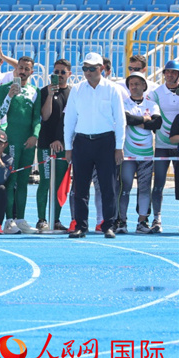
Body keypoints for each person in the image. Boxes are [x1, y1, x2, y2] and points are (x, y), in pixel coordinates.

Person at [64, 52, 126, 239]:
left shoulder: (113, 89)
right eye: (85, 68)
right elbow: (69, 120)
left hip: (106, 142)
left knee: (108, 187)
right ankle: (81, 226)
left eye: (92, 68)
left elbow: (120, 120)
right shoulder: (77, 89)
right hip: (82, 142)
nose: (88, 72)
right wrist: (68, 147)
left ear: (102, 69)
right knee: (80, 188)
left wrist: (119, 147)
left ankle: (108, 225)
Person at [0, 56, 41, 234]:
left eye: (26, 69)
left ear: (31, 72)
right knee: (11, 180)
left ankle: (20, 219)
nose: (22, 71)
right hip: (12, 141)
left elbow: (37, 118)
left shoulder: (35, 91)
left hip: (28, 143)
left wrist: (35, 135)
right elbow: (0, 113)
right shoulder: (4, 88)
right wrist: (9, 96)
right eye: (20, 68)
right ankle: (9, 221)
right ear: (16, 70)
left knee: (23, 181)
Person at [119, 72, 161, 234]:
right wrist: (145, 119)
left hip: (146, 154)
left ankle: (142, 222)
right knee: (125, 188)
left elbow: (157, 123)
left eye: (137, 84)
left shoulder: (152, 104)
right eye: (131, 84)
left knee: (144, 189)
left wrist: (139, 121)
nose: (134, 87)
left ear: (144, 86)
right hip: (128, 154)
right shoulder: (124, 103)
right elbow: (126, 119)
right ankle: (121, 221)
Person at [35, 58, 72, 232]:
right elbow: (45, 116)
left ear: (69, 74)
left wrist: (62, 141)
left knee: (59, 185)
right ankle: (42, 219)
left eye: (62, 72)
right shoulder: (44, 91)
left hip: (64, 145)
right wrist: (50, 95)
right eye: (56, 72)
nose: (59, 75)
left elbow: (72, 120)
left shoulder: (73, 93)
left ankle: (55, 219)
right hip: (46, 144)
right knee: (45, 181)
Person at [145, 60, 179, 234]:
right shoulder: (156, 93)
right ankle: (156, 219)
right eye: (167, 72)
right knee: (158, 183)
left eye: (174, 72)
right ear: (164, 73)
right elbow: (149, 114)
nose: (170, 75)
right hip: (161, 144)